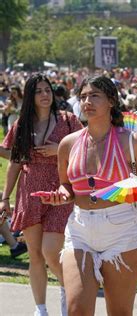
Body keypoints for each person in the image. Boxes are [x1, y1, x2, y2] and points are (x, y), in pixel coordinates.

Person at [40, 75, 137, 316]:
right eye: (83, 96)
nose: (87, 101)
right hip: (80, 229)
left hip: (123, 230)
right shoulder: (68, 143)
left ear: (111, 101)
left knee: (119, 312)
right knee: (76, 310)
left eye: (94, 95)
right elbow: (67, 186)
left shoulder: (132, 141)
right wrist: (61, 196)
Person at [0, 74, 83, 316]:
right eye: (39, 91)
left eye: (47, 90)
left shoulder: (68, 120)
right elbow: (15, 163)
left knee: (51, 251)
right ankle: (41, 308)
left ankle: (70, 288)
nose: (45, 95)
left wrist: (59, 150)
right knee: (35, 255)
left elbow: (87, 149)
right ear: (30, 97)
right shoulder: (20, 126)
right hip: (30, 194)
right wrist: (5, 198)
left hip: (61, 192)